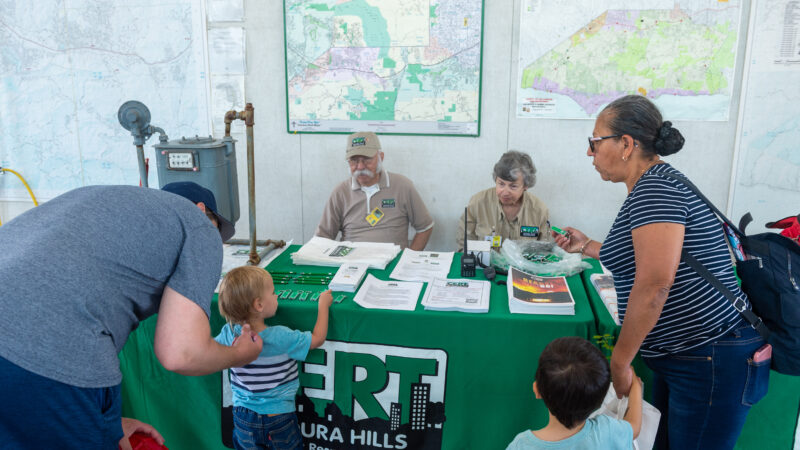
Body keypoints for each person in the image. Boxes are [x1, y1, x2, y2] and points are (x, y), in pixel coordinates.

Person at [552, 94, 769, 449]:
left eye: (595, 142)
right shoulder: (655, 185)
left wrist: (620, 363)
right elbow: (648, 260)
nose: (590, 153)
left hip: (709, 357)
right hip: (691, 355)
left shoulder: (655, 190)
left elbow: (654, 285)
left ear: (625, 144)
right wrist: (588, 246)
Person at [0, 182, 264, 449]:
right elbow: (181, 353)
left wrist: (107, 420)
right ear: (201, 209)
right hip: (50, 355)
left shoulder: (100, 199)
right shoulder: (199, 225)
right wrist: (241, 355)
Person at [214, 266, 333, 450]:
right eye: (273, 292)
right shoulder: (281, 336)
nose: (277, 296)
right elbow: (318, 339)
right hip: (279, 417)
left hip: (242, 416)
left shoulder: (229, 334)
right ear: (259, 305)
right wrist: (323, 306)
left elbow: (209, 349)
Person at [506, 336, 642, 449]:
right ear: (600, 400)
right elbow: (634, 427)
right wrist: (636, 386)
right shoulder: (607, 431)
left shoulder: (521, 445)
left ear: (537, 390)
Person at [316, 131, 434, 250]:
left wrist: (407, 260)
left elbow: (425, 227)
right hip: (350, 262)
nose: (360, 167)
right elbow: (323, 237)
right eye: (354, 160)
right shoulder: (340, 192)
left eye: (367, 159)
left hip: (391, 264)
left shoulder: (403, 186)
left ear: (380, 157)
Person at [456, 150, 551, 251]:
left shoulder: (539, 210)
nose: (505, 192)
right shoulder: (477, 203)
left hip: (522, 267)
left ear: (526, 186)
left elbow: (543, 251)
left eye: (513, 186)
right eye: (501, 184)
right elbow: (464, 245)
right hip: (483, 266)